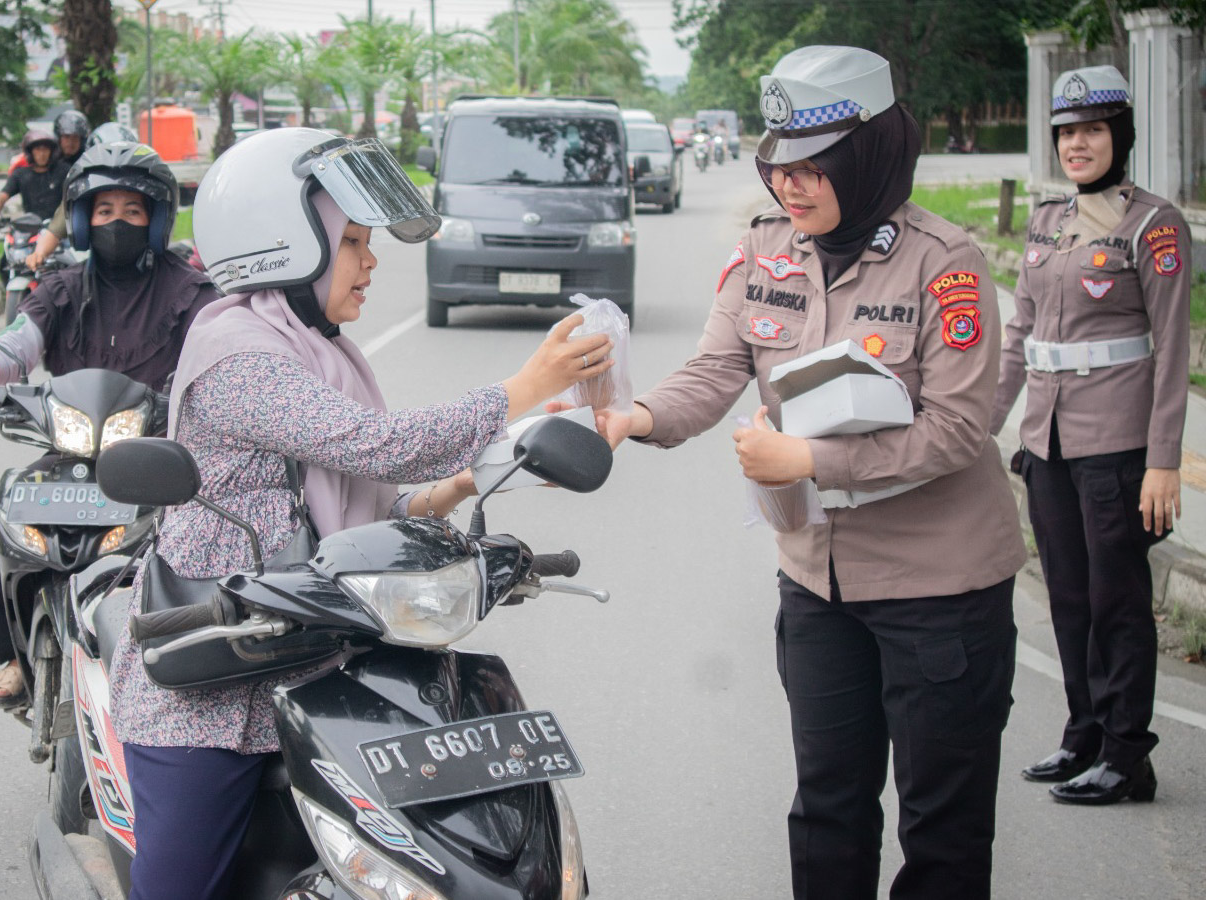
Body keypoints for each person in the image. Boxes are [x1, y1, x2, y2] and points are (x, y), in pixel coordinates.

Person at [105, 126, 614, 900]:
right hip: (211, 676)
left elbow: (358, 493)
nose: (370, 260)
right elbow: (372, 445)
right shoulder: (237, 352)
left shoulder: (321, 348)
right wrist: (523, 385)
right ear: (284, 243)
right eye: (352, 241)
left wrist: (451, 493)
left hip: (317, 648)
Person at [597, 47, 1024, 898]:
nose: (789, 186)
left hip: (942, 593)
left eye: (811, 165)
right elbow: (717, 368)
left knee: (941, 826)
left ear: (866, 153)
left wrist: (810, 460)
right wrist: (631, 418)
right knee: (827, 805)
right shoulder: (764, 251)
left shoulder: (948, 264)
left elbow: (959, 428)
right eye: (777, 164)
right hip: (819, 585)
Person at [0, 142, 219, 708]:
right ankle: (14, 656)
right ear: (80, 219)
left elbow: (219, 347)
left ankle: (193, 662)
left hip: (157, 460)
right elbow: (21, 339)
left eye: (132, 210)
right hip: (73, 455)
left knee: (204, 537)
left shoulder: (188, 289)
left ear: (156, 219)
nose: (116, 222)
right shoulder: (63, 286)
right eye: (103, 210)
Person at [992, 65, 1188, 806]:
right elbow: (1020, 338)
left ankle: (1127, 755)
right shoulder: (1045, 221)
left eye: (1093, 130)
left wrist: (1163, 464)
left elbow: (1170, 350)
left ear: (1120, 137)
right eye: (1067, 132)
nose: (1077, 144)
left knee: (1117, 602)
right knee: (1068, 598)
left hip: (1117, 447)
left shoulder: (1153, 224)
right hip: (1047, 445)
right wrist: (982, 428)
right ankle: (1084, 736)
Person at [25, 120, 134, 272]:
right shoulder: (83, 193)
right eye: (104, 211)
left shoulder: (143, 191)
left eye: (133, 211)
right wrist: (39, 253)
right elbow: (56, 228)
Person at [0, 130, 68, 228]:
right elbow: (3, 195)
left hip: (59, 229)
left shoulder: (63, 171)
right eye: (38, 149)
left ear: (51, 151)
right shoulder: (21, 175)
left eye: (45, 149)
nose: (42, 153)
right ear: (30, 152)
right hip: (31, 229)